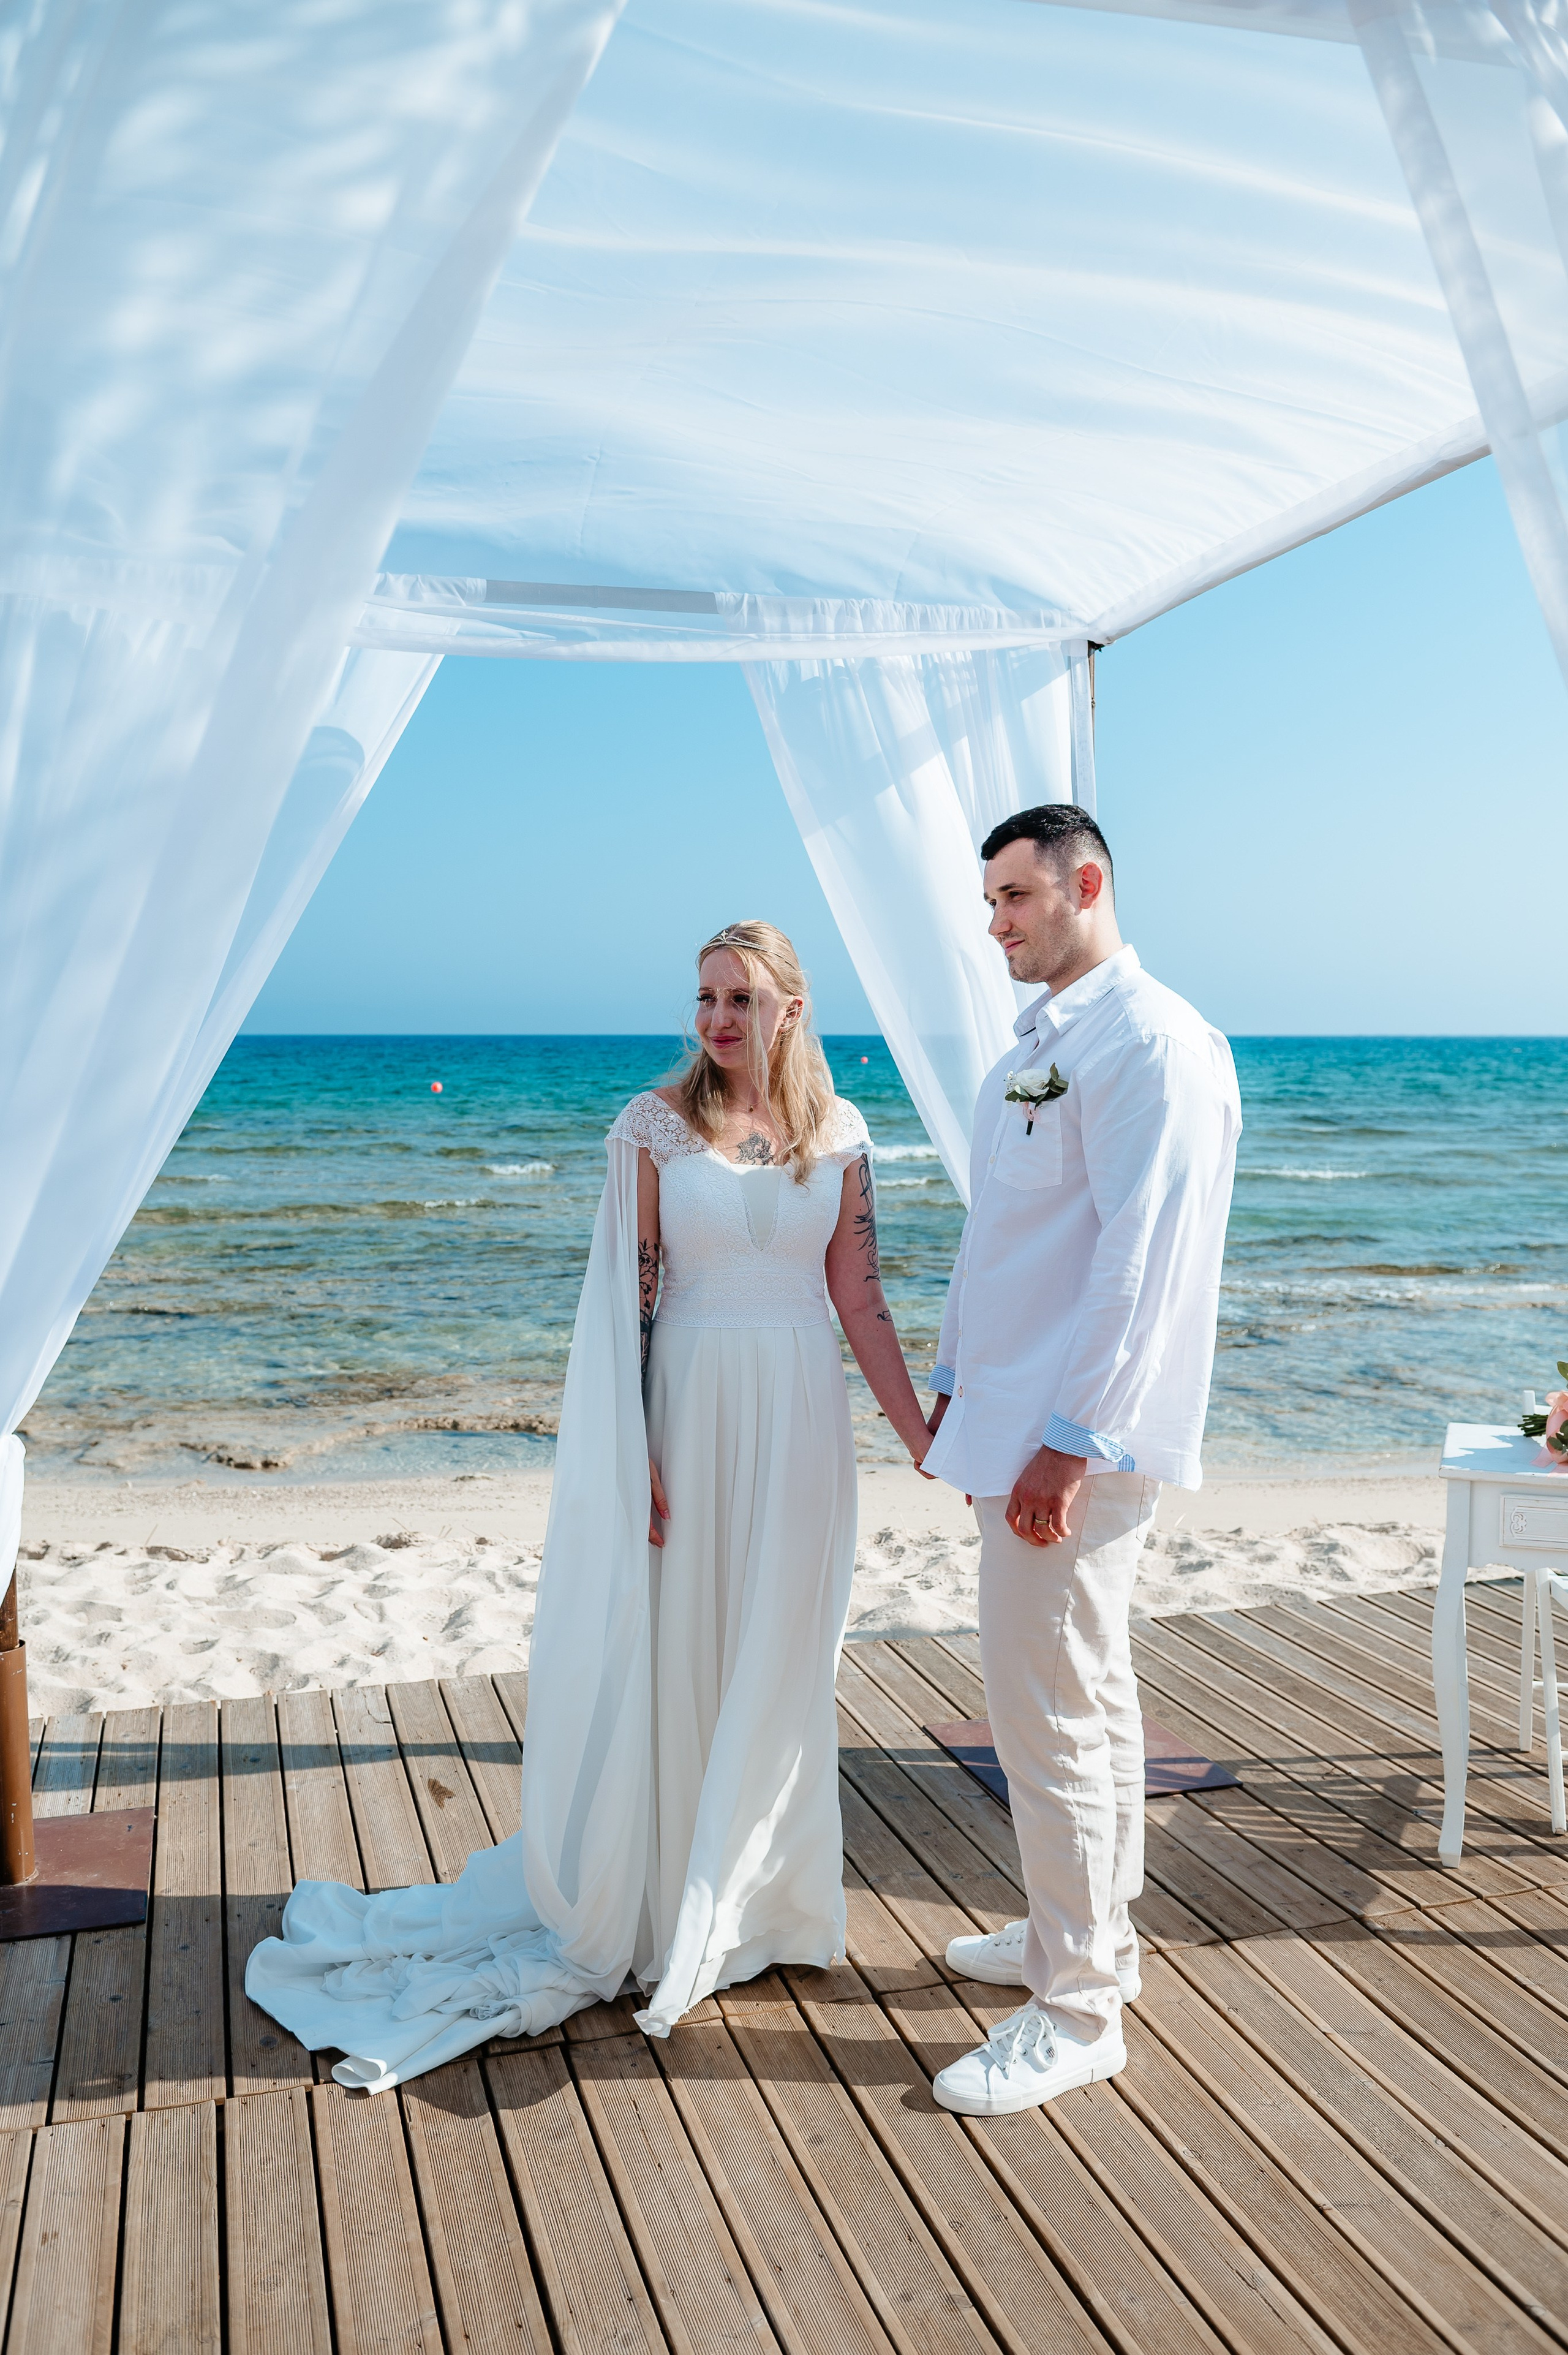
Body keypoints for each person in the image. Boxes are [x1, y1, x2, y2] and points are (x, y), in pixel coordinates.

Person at [246, 920, 932, 2087]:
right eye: (706, 997)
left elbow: (859, 1296)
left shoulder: (843, 1132)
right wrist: (635, 1448)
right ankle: (670, 1901)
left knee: (781, 1652)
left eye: (742, 998)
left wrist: (923, 1437)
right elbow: (632, 1301)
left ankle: (764, 1903)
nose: (718, 1019)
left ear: (792, 1008)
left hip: (804, 1425)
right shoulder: (651, 1127)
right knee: (683, 1645)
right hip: (688, 1413)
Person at [921, 804, 1240, 2118]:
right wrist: (954, 1376)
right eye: (989, 901)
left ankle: (1076, 2010)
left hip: (1073, 1438)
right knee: (1084, 1700)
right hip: (1015, 1420)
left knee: (1046, 1716)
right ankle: (1085, 1937)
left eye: (1013, 897)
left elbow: (1140, 1263)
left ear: (1085, 883)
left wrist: (1070, 1442)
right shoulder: (1040, 1045)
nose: (994, 923)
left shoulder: (1151, 1042)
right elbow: (1001, 1233)